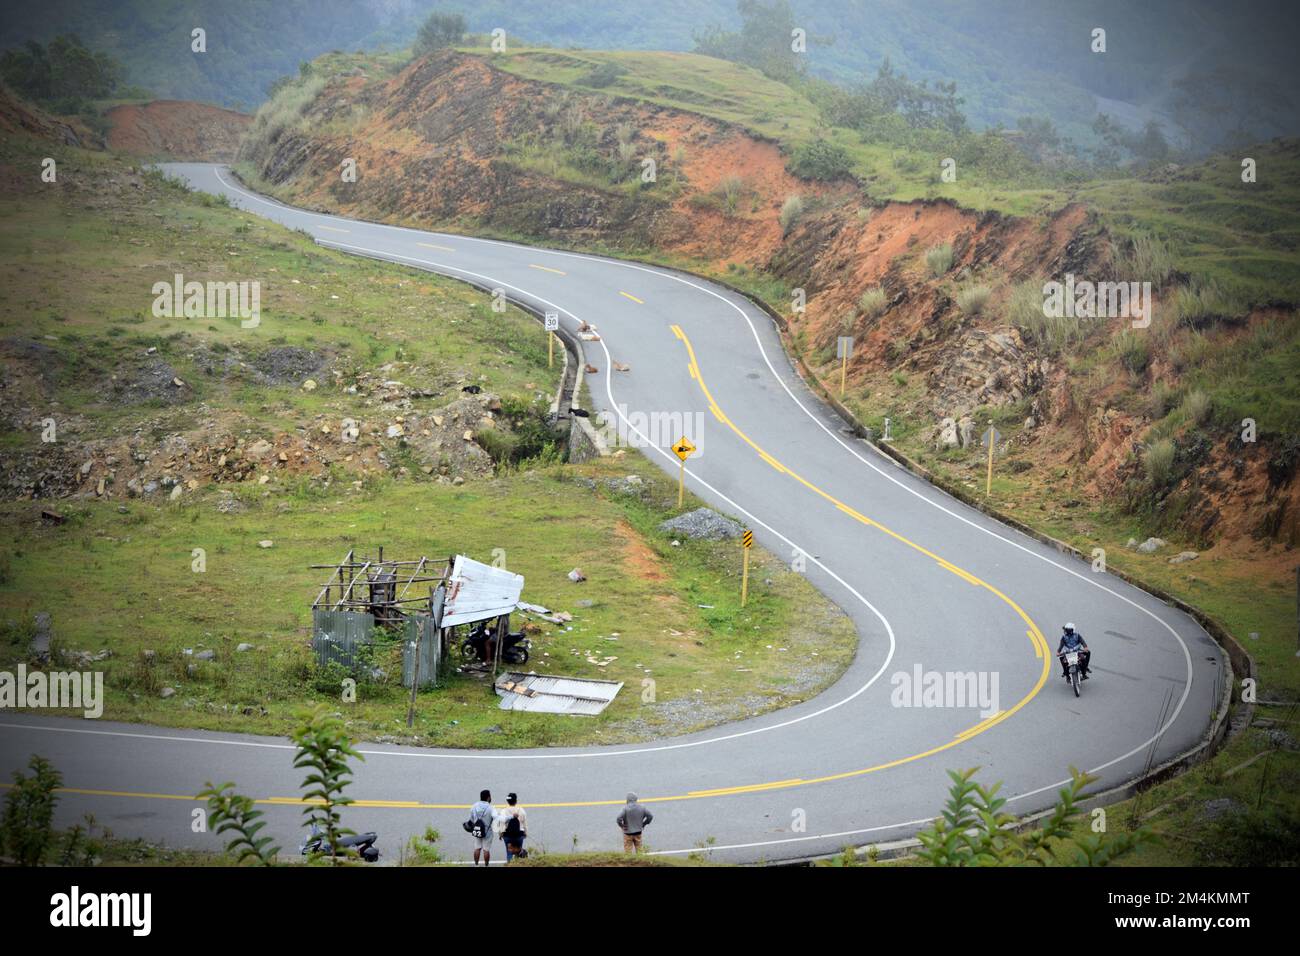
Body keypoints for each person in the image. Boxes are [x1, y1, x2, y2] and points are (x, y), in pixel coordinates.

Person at [467, 789, 497, 865]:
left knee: (477, 848)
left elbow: (471, 819)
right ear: (488, 798)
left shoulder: (474, 806)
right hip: (487, 832)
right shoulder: (491, 808)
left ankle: (476, 864)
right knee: (486, 850)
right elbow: (496, 818)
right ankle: (486, 865)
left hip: (477, 830)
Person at [497, 792, 528, 863]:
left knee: (509, 852)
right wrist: (525, 833)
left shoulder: (503, 811)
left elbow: (501, 824)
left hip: (508, 835)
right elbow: (525, 824)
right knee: (518, 851)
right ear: (516, 801)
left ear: (507, 801)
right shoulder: (521, 811)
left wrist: (500, 834)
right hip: (519, 835)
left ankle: (510, 864)